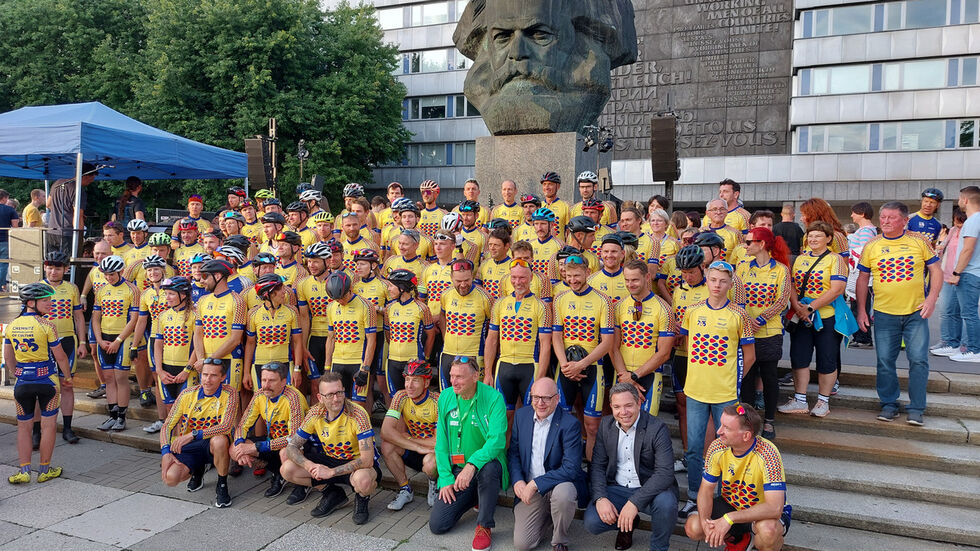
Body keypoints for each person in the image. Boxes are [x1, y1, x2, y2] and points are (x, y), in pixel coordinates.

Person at [678, 261, 755, 518]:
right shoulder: (693, 311)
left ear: (731, 284)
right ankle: (693, 496)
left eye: (723, 281)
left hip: (725, 394)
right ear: (707, 280)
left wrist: (733, 381)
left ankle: (723, 500)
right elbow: (688, 346)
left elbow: (750, 355)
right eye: (713, 280)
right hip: (696, 391)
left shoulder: (739, 314)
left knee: (726, 448)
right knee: (694, 448)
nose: (717, 285)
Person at [857, 202, 942, 425]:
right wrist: (861, 311)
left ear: (905, 221)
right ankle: (889, 404)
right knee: (885, 360)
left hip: (916, 313)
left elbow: (936, 270)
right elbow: (862, 279)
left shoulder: (919, 241)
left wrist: (932, 299)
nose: (885, 221)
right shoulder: (872, 245)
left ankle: (917, 408)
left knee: (918, 360)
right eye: (883, 217)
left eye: (891, 217)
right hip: (884, 313)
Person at [584, 383, 678, 551]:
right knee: (592, 522)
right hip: (617, 488)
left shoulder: (657, 428)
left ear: (638, 403)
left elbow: (665, 473)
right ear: (611, 407)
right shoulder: (606, 425)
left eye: (628, 405)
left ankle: (659, 547)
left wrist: (634, 503)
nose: (623, 412)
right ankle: (628, 523)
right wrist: (600, 498)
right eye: (617, 407)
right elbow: (598, 466)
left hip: (648, 489)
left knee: (667, 504)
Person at [684, 404, 789, 551]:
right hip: (730, 503)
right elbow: (706, 490)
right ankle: (739, 540)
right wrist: (705, 522)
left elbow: (774, 508)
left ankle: (770, 546)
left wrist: (730, 518)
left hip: (760, 511)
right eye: (721, 424)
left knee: (768, 532)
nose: (719, 431)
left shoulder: (768, 453)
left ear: (746, 436)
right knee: (694, 527)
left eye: (726, 428)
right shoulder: (717, 446)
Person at [429, 356, 508, 551]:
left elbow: (497, 441)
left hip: (485, 466)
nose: (453, 382)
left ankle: (484, 525)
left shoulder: (494, 398)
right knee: (438, 525)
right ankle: (477, 496)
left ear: (475, 377)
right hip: (458, 469)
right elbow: (441, 442)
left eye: (460, 377)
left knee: (489, 469)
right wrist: (445, 478)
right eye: (451, 376)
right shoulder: (446, 396)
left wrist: (472, 465)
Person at [280, 373, 381, 522]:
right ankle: (333, 494)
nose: (336, 398)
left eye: (339, 392)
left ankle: (362, 498)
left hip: (357, 464)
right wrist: (309, 466)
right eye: (330, 395)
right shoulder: (315, 413)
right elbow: (292, 446)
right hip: (330, 459)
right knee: (287, 469)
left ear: (344, 391)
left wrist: (331, 472)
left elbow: (367, 460)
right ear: (320, 397)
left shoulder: (358, 414)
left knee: (363, 481)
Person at [508, 377, 589, 551]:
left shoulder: (570, 424)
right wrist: (517, 480)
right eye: (536, 397)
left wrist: (536, 483)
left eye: (546, 398)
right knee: (523, 545)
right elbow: (514, 453)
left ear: (557, 398)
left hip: (558, 484)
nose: (540, 403)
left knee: (564, 495)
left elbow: (571, 468)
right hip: (531, 487)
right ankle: (551, 515)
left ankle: (559, 541)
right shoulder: (521, 416)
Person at [4, 283, 73, 483]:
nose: (50, 303)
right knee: (48, 426)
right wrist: (67, 378)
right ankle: (44, 470)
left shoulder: (12, 325)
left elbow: (8, 357)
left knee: (23, 428)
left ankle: (24, 471)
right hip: (47, 381)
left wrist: (16, 372)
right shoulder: (47, 325)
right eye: (45, 300)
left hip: (22, 382)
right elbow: (60, 357)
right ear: (30, 303)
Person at [778, 221, 847, 419]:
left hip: (826, 318)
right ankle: (799, 399)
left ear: (829, 238)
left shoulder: (835, 259)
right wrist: (797, 306)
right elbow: (791, 284)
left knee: (827, 359)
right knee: (799, 357)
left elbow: (837, 289)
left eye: (818, 236)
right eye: (811, 236)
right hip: (802, 318)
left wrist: (810, 307)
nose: (813, 239)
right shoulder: (800, 259)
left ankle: (823, 401)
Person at [552, 254, 615, 461]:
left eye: (577, 276)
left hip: (593, 367)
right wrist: (565, 365)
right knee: (560, 422)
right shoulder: (560, 299)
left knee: (592, 426)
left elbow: (607, 342)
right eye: (569, 276)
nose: (573, 280)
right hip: (565, 368)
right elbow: (556, 336)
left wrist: (581, 365)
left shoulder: (603, 300)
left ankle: (592, 469)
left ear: (588, 272)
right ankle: (563, 466)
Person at [483, 259, 553, 435]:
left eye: (522, 278)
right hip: (504, 366)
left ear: (531, 278)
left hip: (529, 366)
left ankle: (527, 453)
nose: (517, 282)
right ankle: (504, 453)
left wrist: (540, 377)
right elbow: (491, 340)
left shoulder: (542, 306)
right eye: (514, 277)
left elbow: (545, 345)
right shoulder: (499, 303)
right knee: (503, 418)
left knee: (531, 418)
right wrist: (488, 373)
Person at [159, 358, 238, 508]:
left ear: (222, 377)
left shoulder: (230, 393)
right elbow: (167, 426)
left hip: (212, 442)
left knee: (220, 440)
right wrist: (165, 452)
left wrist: (192, 435)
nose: (208, 380)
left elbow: (226, 426)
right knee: (171, 478)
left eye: (213, 375)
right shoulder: (187, 393)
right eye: (205, 375)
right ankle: (198, 470)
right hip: (191, 444)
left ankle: (222, 484)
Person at [736, 227, 791, 440]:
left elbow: (782, 300)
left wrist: (760, 319)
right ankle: (748, 421)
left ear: (762, 244)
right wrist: (745, 320)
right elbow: (736, 296)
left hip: (769, 331)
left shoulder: (781, 269)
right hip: (745, 331)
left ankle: (769, 421)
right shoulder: (742, 267)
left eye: (749, 242)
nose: (745, 245)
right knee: (746, 377)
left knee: (769, 377)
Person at [232, 361, 309, 498]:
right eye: (263, 380)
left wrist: (256, 447)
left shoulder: (293, 398)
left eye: (272, 381)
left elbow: (294, 439)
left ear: (284, 381)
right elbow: (242, 425)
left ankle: (302, 484)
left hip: (300, 445)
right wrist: (240, 446)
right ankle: (278, 473)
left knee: (285, 452)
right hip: (273, 441)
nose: (266, 385)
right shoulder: (259, 395)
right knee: (234, 448)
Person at [610, 260, 676, 418]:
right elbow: (613, 347)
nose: (630, 284)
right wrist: (625, 376)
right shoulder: (619, 306)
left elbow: (664, 353)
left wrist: (634, 377)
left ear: (647, 277)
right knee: (621, 421)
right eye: (627, 280)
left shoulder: (664, 309)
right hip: (622, 373)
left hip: (649, 376)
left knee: (647, 425)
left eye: (635, 280)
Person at [380, 359, 440, 510]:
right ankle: (405, 489)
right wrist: (416, 446)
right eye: (407, 379)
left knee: (430, 464)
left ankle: (434, 483)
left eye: (415, 380)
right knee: (387, 446)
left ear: (426, 383)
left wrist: (409, 438)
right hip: (416, 448)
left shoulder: (437, 401)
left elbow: (437, 441)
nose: (409, 385)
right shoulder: (401, 396)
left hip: (432, 452)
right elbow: (385, 432)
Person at [92, 255, 141, 432]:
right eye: (105, 274)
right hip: (104, 337)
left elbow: (134, 319)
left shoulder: (132, 289)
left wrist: (118, 340)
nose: (108, 277)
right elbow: (95, 318)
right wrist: (99, 340)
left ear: (121, 271)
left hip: (123, 338)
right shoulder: (101, 290)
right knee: (108, 378)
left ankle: (121, 417)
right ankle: (112, 416)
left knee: (120, 378)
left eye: (112, 274)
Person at [147, 276, 198, 434]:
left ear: (183, 295)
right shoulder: (162, 316)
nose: (167, 297)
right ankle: (173, 444)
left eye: (171, 294)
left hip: (187, 370)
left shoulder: (195, 315)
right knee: (171, 410)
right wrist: (159, 370)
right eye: (166, 294)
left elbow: (198, 346)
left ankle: (184, 445)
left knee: (186, 412)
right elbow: (157, 344)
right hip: (166, 369)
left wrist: (187, 370)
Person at [193, 259, 248, 391]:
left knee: (231, 400)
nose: (201, 280)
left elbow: (235, 339)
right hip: (205, 360)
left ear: (217, 276)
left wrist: (208, 361)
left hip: (229, 359)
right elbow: (198, 334)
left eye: (205, 276)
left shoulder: (238, 301)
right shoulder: (202, 300)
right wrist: (201, 359)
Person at [437, 259, 493, 389]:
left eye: (467, 280)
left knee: (472, 397)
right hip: (448, 353)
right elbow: (442, 315)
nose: (463, 285)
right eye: (458, 281)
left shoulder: (485, 297)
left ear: (472, 276)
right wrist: (445, 337)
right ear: (451, 278)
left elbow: (494, 327)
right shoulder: (445, 294)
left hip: (473, 354)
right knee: (446, 395)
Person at [243, 274, 304, 392]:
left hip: (285, 363)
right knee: (261, 400)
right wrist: (246, 372)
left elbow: (297, 342)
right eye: (280, 288)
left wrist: (297, 369)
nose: (284, 291)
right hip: (259, 364)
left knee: (287, 400)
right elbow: (250, 344)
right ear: (269, 293)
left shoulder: (292, 311)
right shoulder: (253, 314)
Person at [323, 271, 377, 402]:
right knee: (338, 405)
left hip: (358, 362)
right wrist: (327, 367)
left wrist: (365, 368)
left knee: (358, 406)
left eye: (343, 297)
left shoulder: (366, 306)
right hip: (337, 362)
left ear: (350, 289)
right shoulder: (330, 307)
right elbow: (331, 338)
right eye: (337, 300)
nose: (340, 301)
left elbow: (371, 339)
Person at [383, 270, 436, 397]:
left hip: (414, 359)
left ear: (402, 288)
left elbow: (431, 335)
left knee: (415, 397)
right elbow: (388, 334)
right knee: (396, 398)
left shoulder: (422, 308)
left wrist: (426, 357)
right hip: (393, 361)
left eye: (391, 286)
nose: (388, 289)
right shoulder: (389, 308)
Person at [946, 186, 980, 362]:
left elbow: (968, 249)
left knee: (969, 313)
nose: (959, 201)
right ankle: (965, 347)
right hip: (974, 272)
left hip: (969, 272)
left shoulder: (973, 221)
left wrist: (956, 272)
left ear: (965, 200)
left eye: (959, 198)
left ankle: (974, 350)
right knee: (966, 312)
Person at [46, 163, 96, 256]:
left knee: (52, 261)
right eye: (91, 178)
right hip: (68, 234)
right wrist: (80, 238)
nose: (91, 181)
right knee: (69, 262)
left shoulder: (58, 183)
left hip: (51, 231)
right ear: (86, 176)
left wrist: (64, 212)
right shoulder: (78, 190)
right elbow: (78, 216)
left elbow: (48, 204)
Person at [847, 202, 877, 349]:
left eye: (854, 212)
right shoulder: (866, 230)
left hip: (860, 275)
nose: (852, 215)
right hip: (858, 274)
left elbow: (863, 254)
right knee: (858, 306)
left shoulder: (866, 231)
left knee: (860, 307)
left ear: (862, 213)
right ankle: (860, 337)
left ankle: (863, 338)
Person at [0, 189, 21, 290]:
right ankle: (1, 286)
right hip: (4, 240)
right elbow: (15, 227)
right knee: (3, 264)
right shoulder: (10, 210)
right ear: (4, 198)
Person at [540, 172, 572, 238]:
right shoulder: (538, 206)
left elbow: (569, 233)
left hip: (558, 244)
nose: (546, 187)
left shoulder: (565, 206)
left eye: (550, 184)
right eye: (544, 184)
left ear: (558, 186)